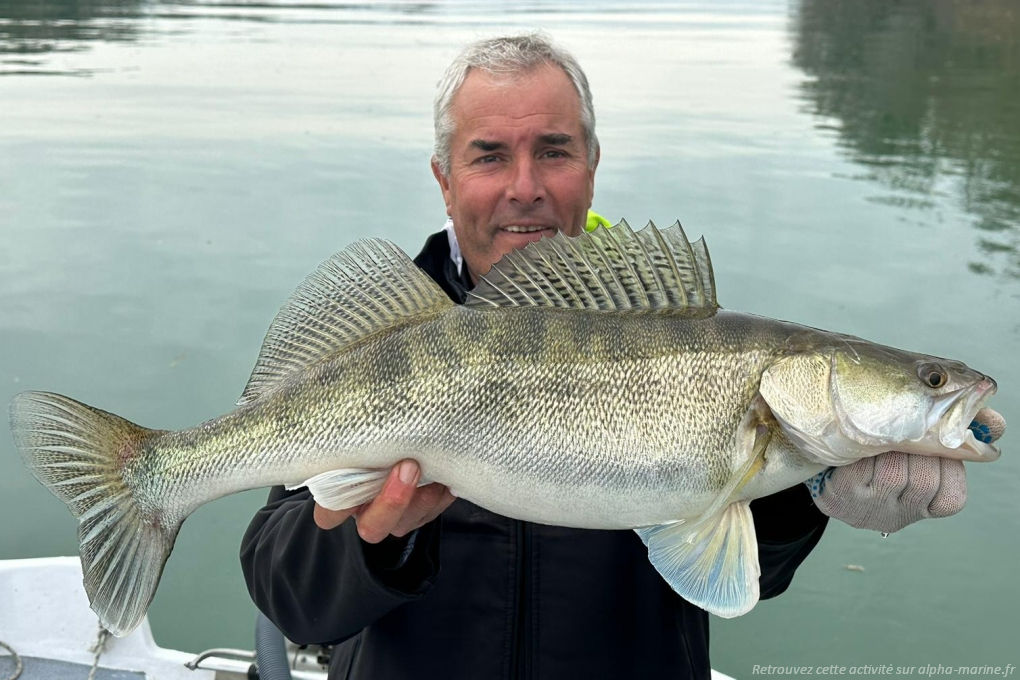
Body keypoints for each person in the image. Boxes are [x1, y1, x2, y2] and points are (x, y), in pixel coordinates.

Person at [241, 33, 968, 679]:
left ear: (591, 162)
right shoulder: (381, 348)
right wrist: (375, 543)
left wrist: (806, 496)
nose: (524, 189)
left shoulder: (692, 341)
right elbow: (293, 602)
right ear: (444, 178)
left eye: (553, 151)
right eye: (489, 155)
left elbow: (741, 571)